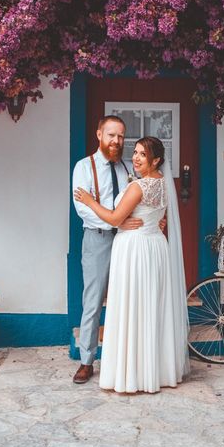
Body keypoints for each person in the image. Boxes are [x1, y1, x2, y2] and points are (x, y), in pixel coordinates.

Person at [74, 136, 190, 393]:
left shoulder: (140, 186)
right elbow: (160, 220)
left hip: (135, 249)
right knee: (149, 306)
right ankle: (154, 370)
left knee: (132, 305)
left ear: (156, 160)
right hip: (155, 246)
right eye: (135, 152)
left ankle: (131, 373)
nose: (135, 158)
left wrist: (90, 201)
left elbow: (115, 218)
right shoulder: (163, 184)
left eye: (142, 155)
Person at [71, 115, 143, 384]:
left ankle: (122, 357)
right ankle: (86, 361)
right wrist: (116, 220)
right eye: (111, 135)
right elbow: (83, 210)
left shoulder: (126, 168)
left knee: (126, 298)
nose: (117, 141)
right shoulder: (84, 167)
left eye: (121, 136)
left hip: (126, 240)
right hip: (98, 239)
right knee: (92, 301)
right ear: (99, 134)